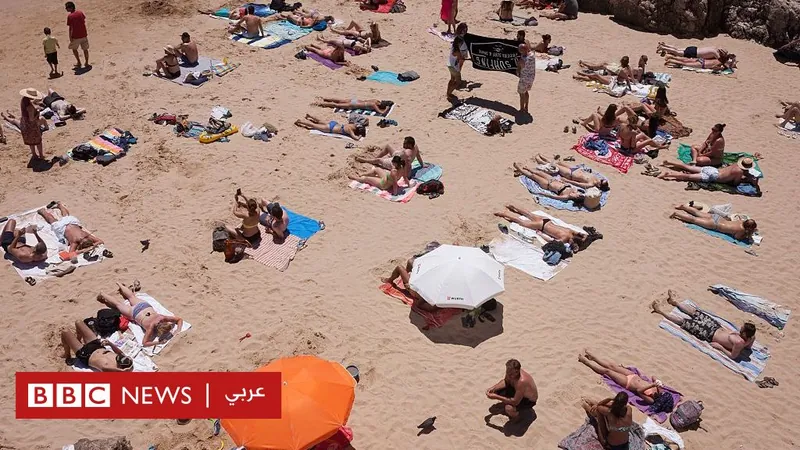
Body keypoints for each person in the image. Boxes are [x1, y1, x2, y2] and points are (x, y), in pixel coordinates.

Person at [652, 290, 756, 359]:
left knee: (684, 322)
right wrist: (747, 346)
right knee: (695, 312)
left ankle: (660, 311)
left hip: (708, 334)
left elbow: (733, 356)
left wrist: (721, 347)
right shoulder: (751, 338)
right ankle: (674, 302)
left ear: (744, 334)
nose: (740, 328)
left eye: (742, 329)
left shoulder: (739, 343)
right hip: (715, 326)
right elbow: (748, 347)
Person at [97, 282, 184, 348]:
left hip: (143, 306)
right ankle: (103, 294)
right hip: (134, 312)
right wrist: (158, 342)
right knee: (118, 304)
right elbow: (144, 343)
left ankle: (119, 284)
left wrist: (178, 329)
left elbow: (179, 319)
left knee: (131, 296)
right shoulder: (150, 328)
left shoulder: (162, 317)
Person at [578, 349, 665, 404]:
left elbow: (639, 391)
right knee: (612, 366)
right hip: (632, 375)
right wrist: (658, 382)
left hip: (628, 383)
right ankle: (593, 358)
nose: (660, 394)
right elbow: (653, 377)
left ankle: (587, 363)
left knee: (607, 371)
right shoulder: (659, 390)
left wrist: (652, 385)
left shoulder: (651, 400)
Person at [495, 203, 590, 252]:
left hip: (547, 220)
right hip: (542, 226)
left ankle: (512, 206)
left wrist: (582, 238)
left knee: (528, 214)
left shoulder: (571, 232)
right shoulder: (564, 239)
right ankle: (503, 214)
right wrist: (541, 234)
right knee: (522, 222)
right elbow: (551, 241)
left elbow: (583, 235)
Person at [61, 320, 133, 372]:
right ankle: (78, 340)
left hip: (86, 353)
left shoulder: (108, 367)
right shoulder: (122, 358)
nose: (119, 356)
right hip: (97, 345)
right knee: (78, 322)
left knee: (65, 332)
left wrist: (123, 371)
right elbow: (120, 353)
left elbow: (105, 368)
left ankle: (67, 356)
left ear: (120, 366)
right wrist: (110, 344)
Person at [38, 202, 103, 254]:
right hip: (70, 223)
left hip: (64, 227)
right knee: (62, 217)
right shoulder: (85, 236)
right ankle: (56, 207)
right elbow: (100, 241)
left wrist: (83, 250)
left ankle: (50, 209)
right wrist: (92, 246)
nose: (81, 238)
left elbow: (71, 253)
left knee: (55, 219)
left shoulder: (76, 241)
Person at [669, 203, 758, 241]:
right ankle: (677, 214)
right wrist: (746, 235)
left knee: (697, 213)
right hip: (716, 224)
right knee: (694, 220)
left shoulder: (741, 221)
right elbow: (737, 237)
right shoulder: (741, 230)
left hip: (717, 217)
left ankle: (684, 207)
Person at [657, 157, 759, 187]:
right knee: (688, 177)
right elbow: (735, 183)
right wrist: (746, 180)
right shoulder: (739, 172)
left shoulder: (735, 164)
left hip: (712, 169)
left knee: (688, 167)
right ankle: (669, 175)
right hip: (714, 177)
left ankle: (669, 162)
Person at [355, 136, 423, 182]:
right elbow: (418, 156)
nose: (403, 144)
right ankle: (376, 158)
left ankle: (364, 160)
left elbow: (408, 165)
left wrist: (407, 176)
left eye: (405, 144)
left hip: (395, 161)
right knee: (387, 147)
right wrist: (422, 165)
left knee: (379, 161)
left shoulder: (407, 154)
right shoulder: (415, 146)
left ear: (409, 145)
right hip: (398, 155)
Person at [510, 165, 586, 203]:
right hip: (553, 179)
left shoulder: (565, 197)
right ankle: (527, 168)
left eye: (576, 196)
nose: (577, 194)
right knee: (538, 172)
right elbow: (583, 193)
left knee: (533, 176)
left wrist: (542, 193)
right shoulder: (574, 190)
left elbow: (552, 196)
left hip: (547, 185)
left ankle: (520, 169)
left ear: (575, 198)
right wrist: (564, 182)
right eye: (578, 194)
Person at [533, 154, 610, 191]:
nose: (600, 179)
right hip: (575, 169)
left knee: (555, 165)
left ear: (599, 185)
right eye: (602, 180)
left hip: (570, 174)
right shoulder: (596, 177)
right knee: (559, 162)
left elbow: (578, 184)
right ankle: (544, 158)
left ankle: (541, 161)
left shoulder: (590, 184)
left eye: (601, 181)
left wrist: (567, 181)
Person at [294, 113, 366, 140]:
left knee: (319, 121)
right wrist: (360, 135)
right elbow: (356, 138)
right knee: (314, 125)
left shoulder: (352, 124)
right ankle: (300, 122)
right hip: (330, 128)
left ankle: (310, 116)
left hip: (334, 123)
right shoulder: (350, 130)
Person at [19, 88, 45, 160]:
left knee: (30, 141)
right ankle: (41, 155)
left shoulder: (23, 100)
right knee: (38, 141)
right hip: (31, 125)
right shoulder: (30, 107)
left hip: (24, 123)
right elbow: (31, 119)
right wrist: (38, 113)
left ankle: (34, 154)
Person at [65, 2, 89, 68]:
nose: (66, 9)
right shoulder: (80, 12)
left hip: (76, 36)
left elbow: (70, 28)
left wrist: (70, 37)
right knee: (85, 49)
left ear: (71, 8)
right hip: (84, 34)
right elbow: (83, 21)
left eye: (67, 7)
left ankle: (79, 62)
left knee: (74, 49)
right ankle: (86, 62)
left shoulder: (70, 16)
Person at [517, 43, 536, 115]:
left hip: (524, 78)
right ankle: (526, 107)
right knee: (526, 92)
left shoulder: (522, 60)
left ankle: (522, 109)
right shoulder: (532, 55)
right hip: (531, 78)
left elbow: (520, 67)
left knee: (521, 94)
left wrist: (518, 67)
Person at [315, 97, 392, 115]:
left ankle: (324, 98)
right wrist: (387, 108)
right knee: (337, 105)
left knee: (340, 100)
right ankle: (320, 103)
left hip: (356, 100)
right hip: (354, 105)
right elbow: (382, 113)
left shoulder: (375, 100)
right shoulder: (374, 105)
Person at [657, 42, 729, 60]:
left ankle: (665, 45)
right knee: (677, 52)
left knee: (677, 49)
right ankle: (663, 47)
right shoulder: (715, 53)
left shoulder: (714, 48)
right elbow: (721, 61)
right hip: (694, 53)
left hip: (694, 48)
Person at [664, 53, 736, 71]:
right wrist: (720, 69)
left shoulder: (719, 58)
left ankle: (671, 57)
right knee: (685, 63)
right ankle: (671, 60)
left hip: (702, 60)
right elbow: (714, 67)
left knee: (685, 60)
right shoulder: (720, 63)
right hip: (702, 64)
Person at [446, 36, 466, 100]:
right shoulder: (457, 51)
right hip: (454, 67)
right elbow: (461, 58)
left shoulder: (453, 46)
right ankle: (449, 93)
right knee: (458, 82)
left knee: (452, 79)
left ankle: (448, 93)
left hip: (449, 64)